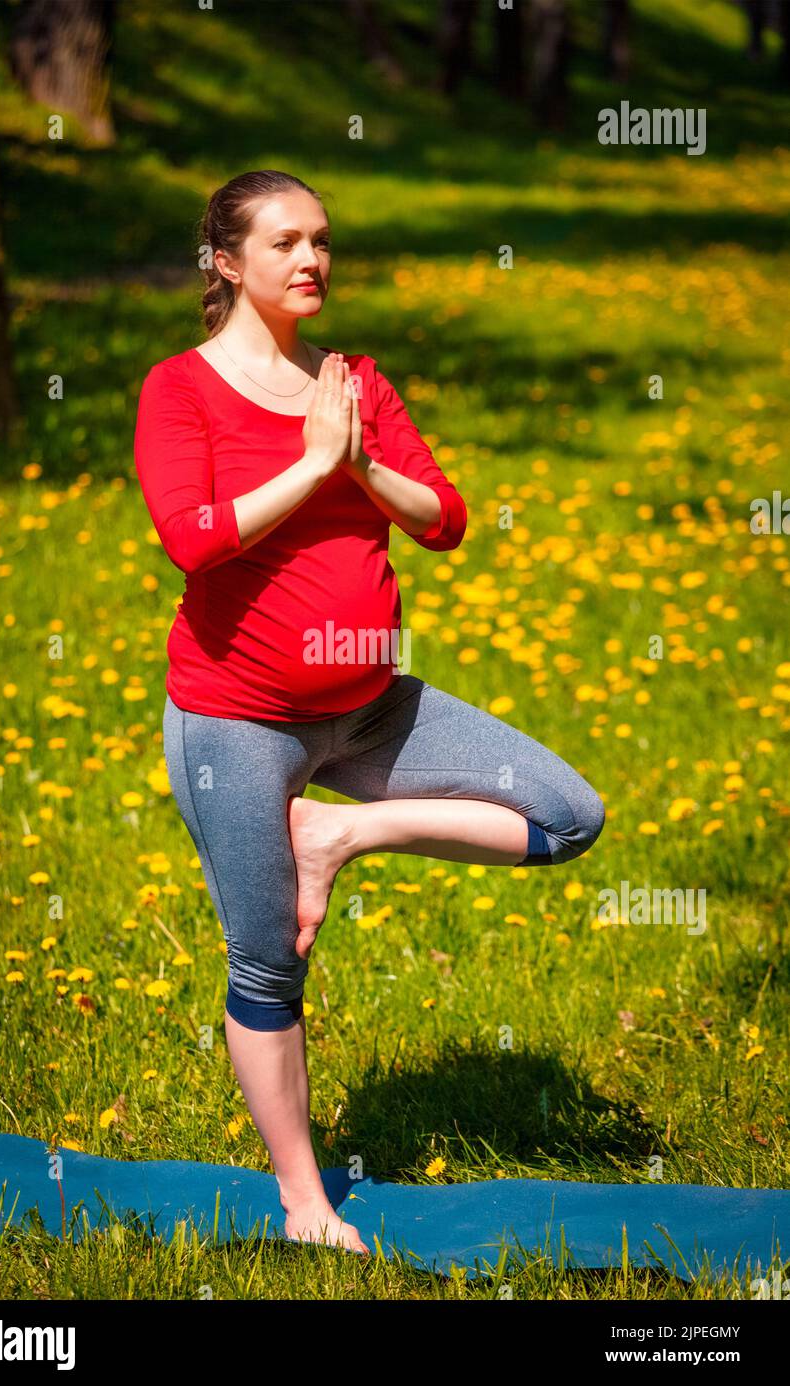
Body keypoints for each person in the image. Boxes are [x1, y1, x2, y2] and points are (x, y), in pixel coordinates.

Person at [133, 169, 605, 1257]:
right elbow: (193, 538)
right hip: (237, 720)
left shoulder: (354, 384)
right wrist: (308, 468)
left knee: (567, 815)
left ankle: (342, 830)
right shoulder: (181, 390)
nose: (312, 261)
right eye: (286, 242)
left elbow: (444, 518)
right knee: (266, 962)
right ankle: (305, 1202)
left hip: (371, 707)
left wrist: (359, 462)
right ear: (225, 260)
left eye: (322, 241)